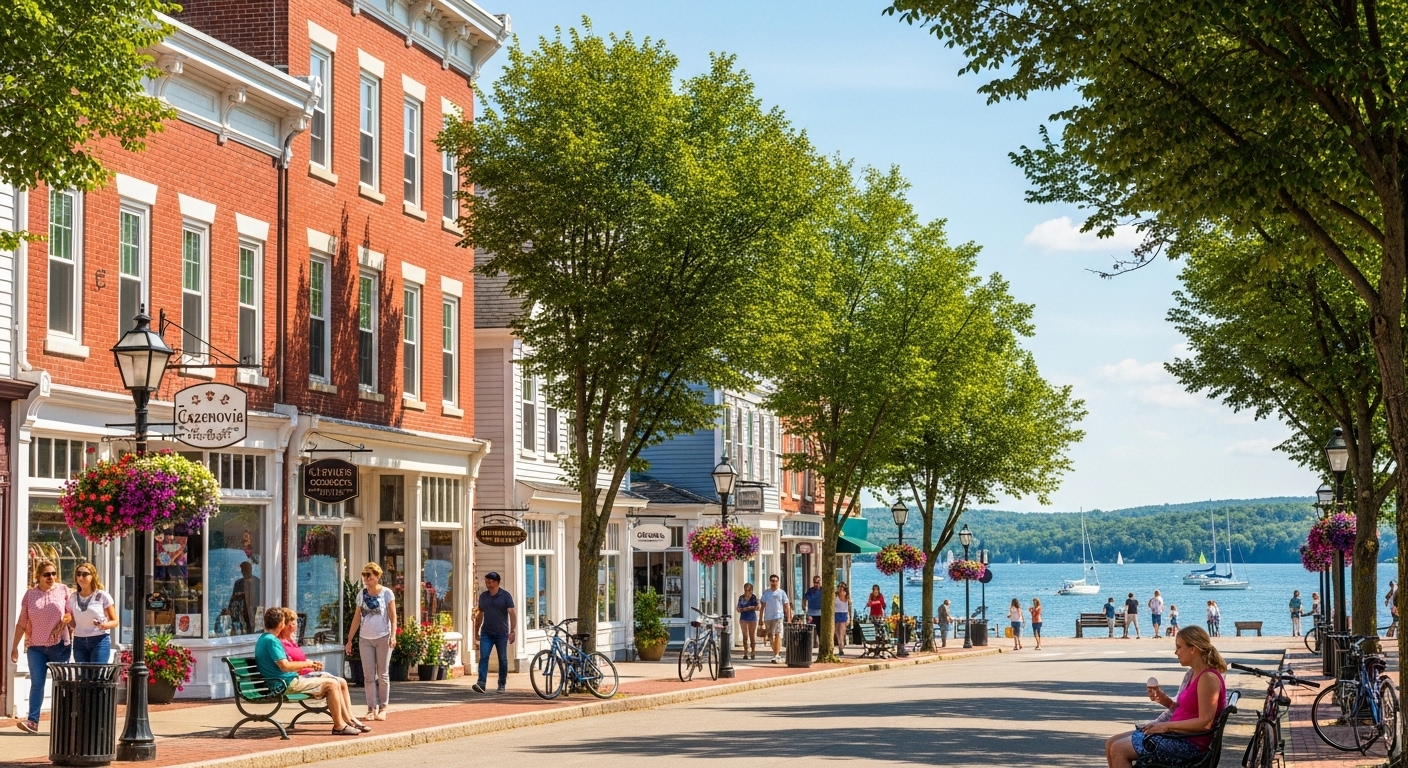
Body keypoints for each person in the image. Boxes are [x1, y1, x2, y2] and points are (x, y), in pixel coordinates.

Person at [1104, 626, 1228, 767]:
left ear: (1193, 649)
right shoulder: (1192, 674)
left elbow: (1205, 723)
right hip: (1178, 736)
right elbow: (1183, 710)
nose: (1176, 652)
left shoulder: (1208, 678)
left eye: (1179, 647)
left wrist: (1165, 727)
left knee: (1119, 749)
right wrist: (1162, 698)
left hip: (1189, 744)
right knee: (1111, 743)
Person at [256, 607, 362, 735]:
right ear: (281, 624)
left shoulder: (263, 638)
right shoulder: (272, 641)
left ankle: (345, 721)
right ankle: (339, 726)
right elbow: (284, 666)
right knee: (332, 684)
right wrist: (308, 663)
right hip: (285, 683)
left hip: (282, 681)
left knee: (333, 682)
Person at [10, 559, 71, 734]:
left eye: (53, 573)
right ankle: (33, 722)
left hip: (59, 645)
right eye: (46, 574)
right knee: (37, 684)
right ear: (38, 576)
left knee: (62, 684)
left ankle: (64, 722)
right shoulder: (30, 595)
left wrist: (68, 620)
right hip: (35, 646)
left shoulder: (63, 591)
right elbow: (22, 623)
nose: (50, 577)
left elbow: (71, 615)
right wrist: (14, 647)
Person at [344, 562, 396, 720]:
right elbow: (356, 617)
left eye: (369, 575)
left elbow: (393, 617)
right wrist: (349, 640)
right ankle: (371, 708)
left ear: (377, 576)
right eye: (364, 575)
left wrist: (393, 635)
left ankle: (383, 707)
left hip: (383, 636)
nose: (366, 579)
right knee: (368, 675)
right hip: (365, 638)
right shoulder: (361, 594)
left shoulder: (387, 593)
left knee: (383, 674)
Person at [472, 571, 517, 694]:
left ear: (497, 582)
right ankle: (481, 683)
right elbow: (480, 614)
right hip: (486, 632)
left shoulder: (505, 596)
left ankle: (501, 685)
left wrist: (512, 631)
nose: (488, 584)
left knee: (502, 659)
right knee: (484, 657)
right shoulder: (483, 597)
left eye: (490, 582)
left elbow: (512, 613)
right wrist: (476, 631)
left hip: (502, 633)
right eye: (487, 582)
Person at [65, 561, 116, 664]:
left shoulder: (102, 596)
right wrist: (68, 620)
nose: (81, 577)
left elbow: (115, 621)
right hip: (79, 640)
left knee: (97, 676)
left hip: (99, 640)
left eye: (84, 574)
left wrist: (104, 625)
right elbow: (74, 624)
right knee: (83, 677)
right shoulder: (73, 597)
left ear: (92, 576)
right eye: (78, 574)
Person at [759, 574, 792, 663]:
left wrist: (789, 618)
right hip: (768, 617)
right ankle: (776, 653)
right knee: (770, 636)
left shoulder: (781, 592)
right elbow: (762, 607)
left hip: (778, 616)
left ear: (778, 582)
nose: (774, 583)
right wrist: (760, 619)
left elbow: (787, 605)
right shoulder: (766, 593)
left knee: (777, 634)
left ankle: (776, 655)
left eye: (776, 581)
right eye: (772, 581)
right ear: (770, 582)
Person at [227, 561, 261, 635]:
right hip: (242, 611)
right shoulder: (238, 583)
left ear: (251, 569)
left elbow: (260, 597)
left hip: (255, 610)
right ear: (242, 571)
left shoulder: (257, 582)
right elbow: (233, 598)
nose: (245, 572)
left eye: (247, 569)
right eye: (244, 570)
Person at [737, 583, 760, 660]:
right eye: (746, 590)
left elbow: (758, 607)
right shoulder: (741, 598)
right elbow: (738, 608)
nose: (748, 591)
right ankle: (745, 652)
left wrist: (750, 607)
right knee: (745, 636)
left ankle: (753, 652)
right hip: (743, 617)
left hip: (752, 618)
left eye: (749, 590)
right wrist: (741, 609)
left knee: (752, 636)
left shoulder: (753, 597)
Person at [803, 576, 823, 641]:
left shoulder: (822, 590)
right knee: (809, 630)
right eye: (814, 582)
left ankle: (820, 644)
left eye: (817, 582)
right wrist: (804, 606)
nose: (816, 584)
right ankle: (809, 645)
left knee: (820, 631)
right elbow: (804, 599)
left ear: (820, 582)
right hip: (811, 613)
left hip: (820, 614)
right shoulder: (810, 590)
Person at [834, 583, 851, 655]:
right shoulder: (835, 596)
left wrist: (849, 617)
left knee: (841, 633)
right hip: (836, 614)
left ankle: (841, 648)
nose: (841, 588)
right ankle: (840, 646)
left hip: (844, 615)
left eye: (842, 587)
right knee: (837, 633)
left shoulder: (847, 597)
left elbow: (849, 608)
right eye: (839, 587)